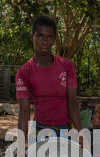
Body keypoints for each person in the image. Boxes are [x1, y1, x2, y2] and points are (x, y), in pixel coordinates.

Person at [16, 16, 83, 145]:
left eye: (49, 37)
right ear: (32, 36)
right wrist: (20, 150)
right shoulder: (24, 72)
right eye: (40, 36)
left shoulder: (67, 65)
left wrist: (81, 134)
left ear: (54, 39)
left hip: (66, 131)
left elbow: (73, 103)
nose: (45, 41)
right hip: (40, 131)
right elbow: (24, 112)